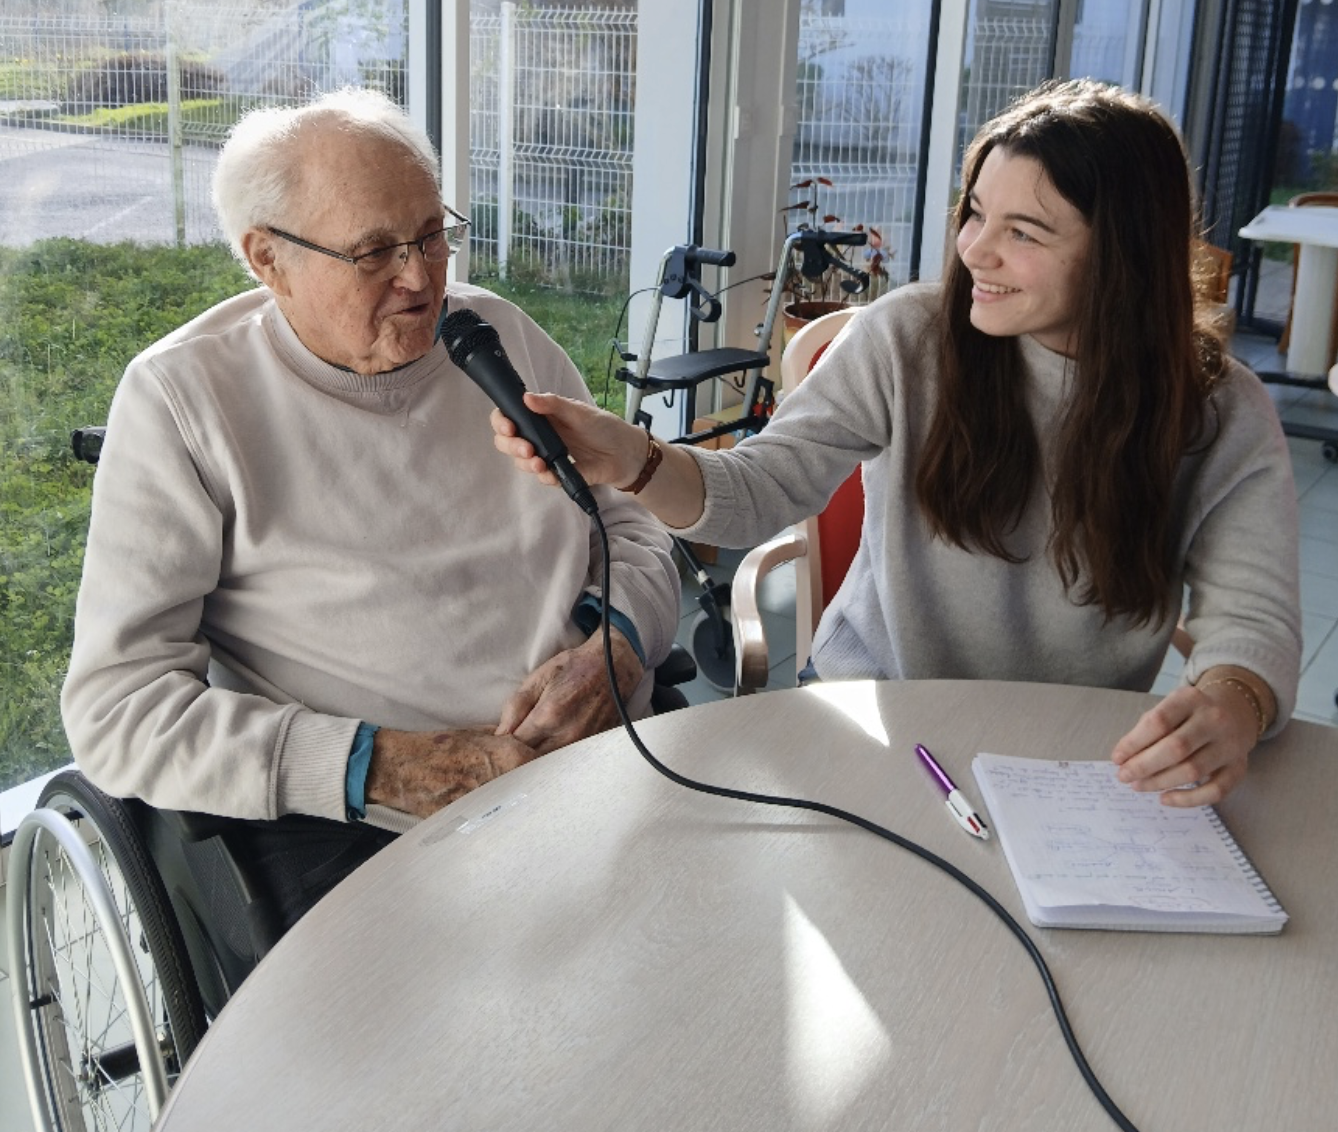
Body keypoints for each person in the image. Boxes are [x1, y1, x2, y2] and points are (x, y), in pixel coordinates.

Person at [493, 79, 1302, 809]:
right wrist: (633, 458)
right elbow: (758, 491)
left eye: (1024, 230)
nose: (974, 251)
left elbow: (1255, 616)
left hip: (1077, 756)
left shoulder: (1220, 409)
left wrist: (1234, 697)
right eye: (976, 212)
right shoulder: (909, 341)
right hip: (876, 718)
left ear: (1123, 254)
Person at [61, 88, 680, 929]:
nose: (422, 278)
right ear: (266, 258)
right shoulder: (184, 400)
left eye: (433, 234)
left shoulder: (500, 335)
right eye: (375, 251)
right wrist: (380, 765)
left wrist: (621, 644)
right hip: (376, 819)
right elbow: (117, 708)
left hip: (598, 745)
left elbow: (634, 525)